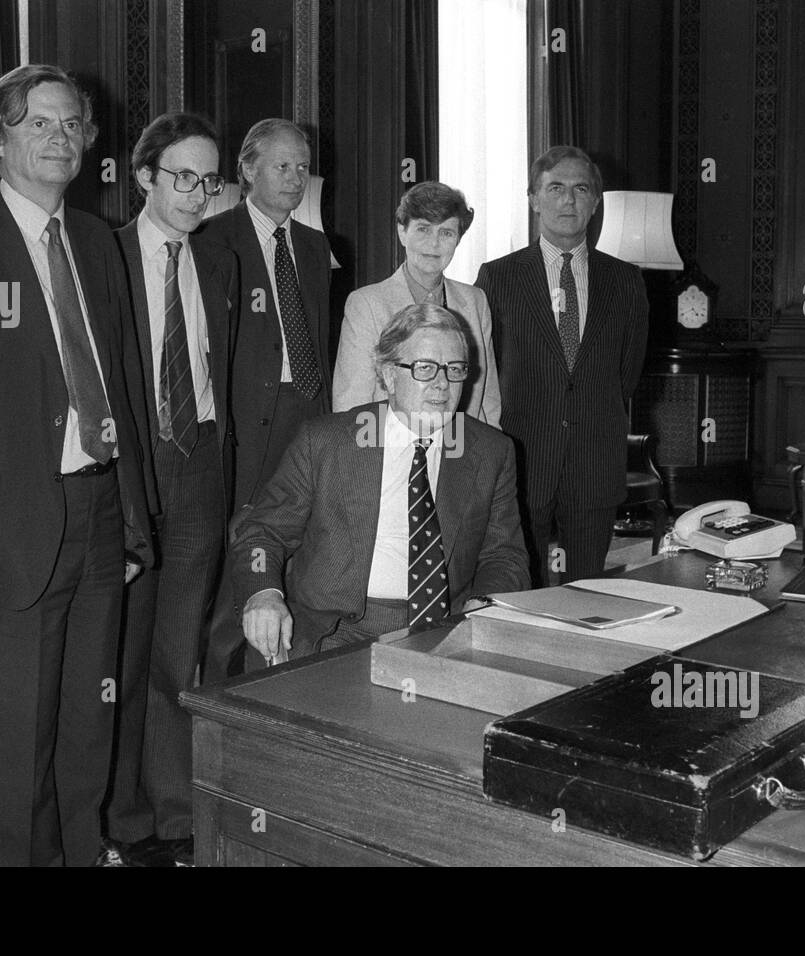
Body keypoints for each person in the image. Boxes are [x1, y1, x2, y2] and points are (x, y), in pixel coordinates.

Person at [0, 64, 154, 867]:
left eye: (72, 124)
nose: (60, 138)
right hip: (9, 536)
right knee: (15, 745)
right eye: (38, 123)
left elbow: (124, 388)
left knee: (88, 726)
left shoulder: (94, 242)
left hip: (101, 518)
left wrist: (134, 526)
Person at [231, 303, 529, 660]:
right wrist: (263, 593)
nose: (441, 383)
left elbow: (505, 556)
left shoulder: (489, 451)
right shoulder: (328, 441)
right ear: (388, 375)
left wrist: (482, 610)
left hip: (442, 628)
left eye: (454, 369)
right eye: (424, 368)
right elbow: (262, 533)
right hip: (334, 631)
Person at [107, 112, 237, 867]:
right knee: (121, 651)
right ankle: (123, 815)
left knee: (177, 650)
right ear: (146, 176)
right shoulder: (105, 257)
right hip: (131, 465)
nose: (197, 193)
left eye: (208, 179)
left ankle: (175, 808)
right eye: (182, 176)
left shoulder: (218, 262)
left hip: (201, 462)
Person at [475, 146, 649, 588]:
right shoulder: (498, 278)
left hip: (595, 460)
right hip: (522, 458)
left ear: (595, 202)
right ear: (533, 199)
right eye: (555, 188)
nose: (568, 200)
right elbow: (485, 370)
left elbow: (628, 374)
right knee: (519, 587)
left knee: (590, 593)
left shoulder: (627, 281)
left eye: (580, 189)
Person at [198, 118, 334, 678]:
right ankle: (217, 686)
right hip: (240, 427)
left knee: (296, 545)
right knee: (239, 553)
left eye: (303, 166)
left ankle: (275, 677)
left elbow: (319, 339)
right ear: (248, 169)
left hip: (306, 414)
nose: (296, 177)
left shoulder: (315, 243)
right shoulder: (211, 239)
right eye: (282, 165)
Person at [333, 181, 501, 425]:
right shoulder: (366, 305)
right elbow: (351, 405)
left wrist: (489, 458)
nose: (434, 244)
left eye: (446, 232)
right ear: (402, 232)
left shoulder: (475, 301)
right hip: (391, 451)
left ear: (458, 239)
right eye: (423, 229)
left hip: (461, 449)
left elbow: (487, 398)